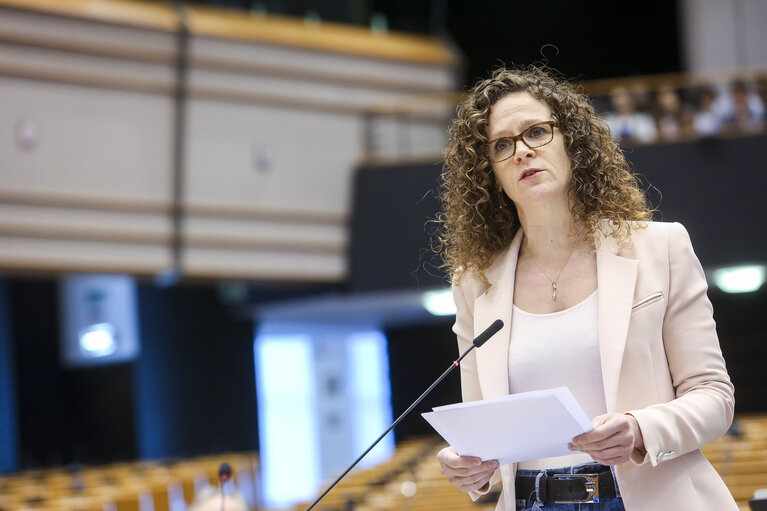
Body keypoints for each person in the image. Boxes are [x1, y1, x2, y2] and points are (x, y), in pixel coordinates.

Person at [435, 66, 736, 511]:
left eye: (537, 132)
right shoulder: (474, 283)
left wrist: (639, 428)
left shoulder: (661, 247)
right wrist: (467, 466)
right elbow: (482, 430)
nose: (522, 152)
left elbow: (714, 396)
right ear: (489, 172)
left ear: (572, 142)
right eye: (502, 145)